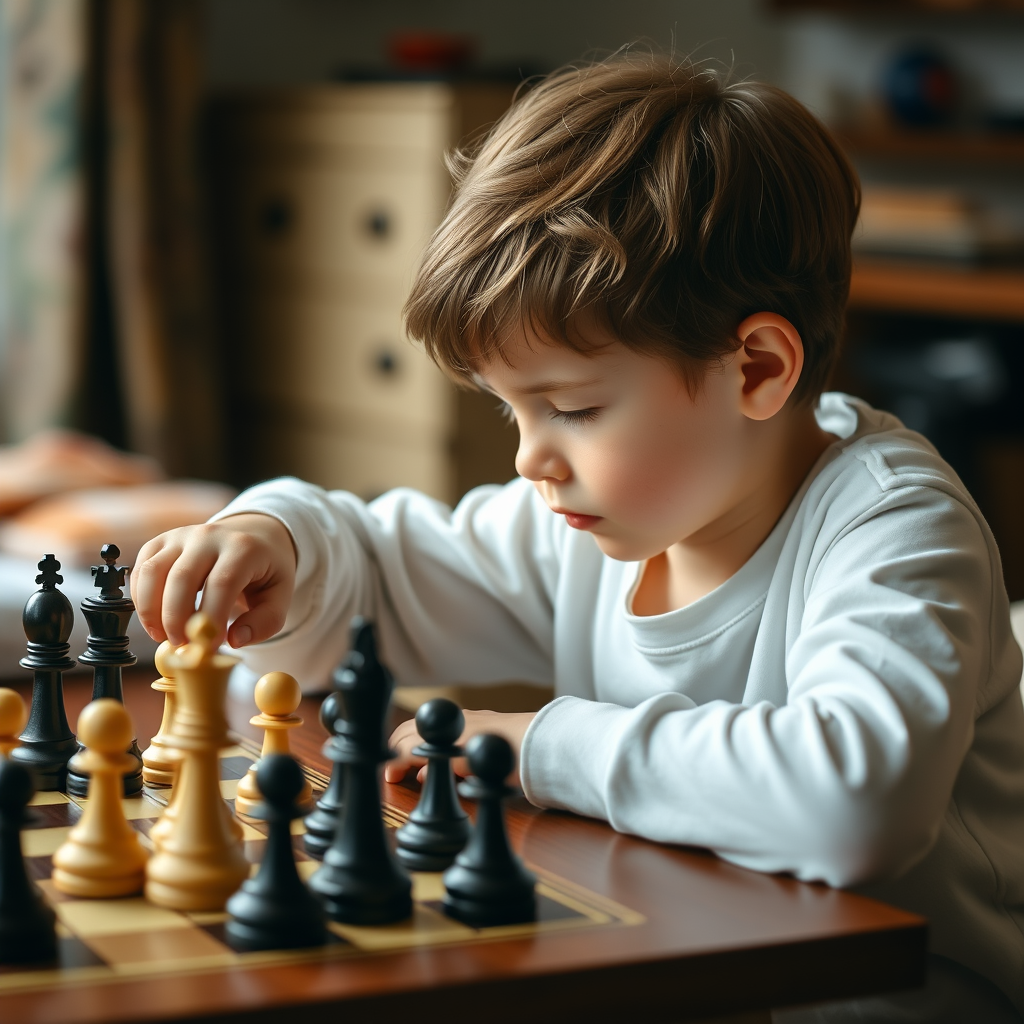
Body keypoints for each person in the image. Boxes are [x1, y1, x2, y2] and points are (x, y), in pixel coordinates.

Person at [132, 52, 1024, 1022]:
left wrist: (537, 749)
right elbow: (379, 581)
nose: (528, 459)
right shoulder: (596, 517)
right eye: (512, 410)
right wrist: (275, 539)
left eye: (574, 406)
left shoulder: (895, 530)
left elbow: (853, 804)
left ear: (757, 369)